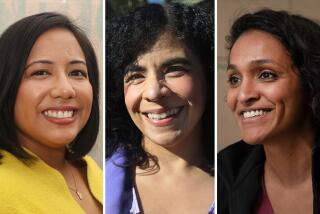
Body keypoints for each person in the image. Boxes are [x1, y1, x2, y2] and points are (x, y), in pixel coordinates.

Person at [106, 3, 214, 214]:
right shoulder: (97, 179)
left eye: (174, 70)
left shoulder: (236, 183)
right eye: (136, 76)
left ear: (207, 76)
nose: (153, 92)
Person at [218, 9, 320, 214]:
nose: (243, 95)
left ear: (311, 85)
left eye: (266, 74)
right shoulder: (225, 172)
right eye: (234, 79)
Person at [0, 12, 102, 213]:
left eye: (77, 73)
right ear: (6, 85)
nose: (65, 90)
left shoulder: (93, 170)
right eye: (40, 72)